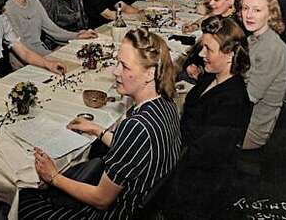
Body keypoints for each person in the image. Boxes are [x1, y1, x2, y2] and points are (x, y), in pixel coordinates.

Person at [19, 28, 181, 220]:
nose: (115, 71)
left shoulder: (137, 126)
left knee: (23, 201)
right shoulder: (166, 102)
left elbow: (101, 199)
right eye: (117, 62)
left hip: (118, 214)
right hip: (148, 207)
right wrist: (97, 130)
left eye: (125, 66)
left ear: (149, 73)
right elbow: (133, 151)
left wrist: (53, 177)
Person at [164, 16, 252, 219]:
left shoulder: (233, 102)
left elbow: (203, 157)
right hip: (187, 165)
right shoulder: (211, 78)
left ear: (229, 54)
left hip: (199, 190)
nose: (202, 54)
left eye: (209, 50)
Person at [4, 0, 96, 67]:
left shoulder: (34, 2)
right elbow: (23, 47)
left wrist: (78, 35)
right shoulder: (7, 9)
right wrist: (50, 58)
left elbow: (53, 30)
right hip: (24, 62)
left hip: (43, 55)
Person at [240, 0, 286, 149]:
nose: (249, 15)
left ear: (270, 14)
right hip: (247, 114)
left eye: (257, 10)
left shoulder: (271, 47)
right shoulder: (255, 38)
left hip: (254, 126)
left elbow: (250, 97)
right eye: (245, 8)